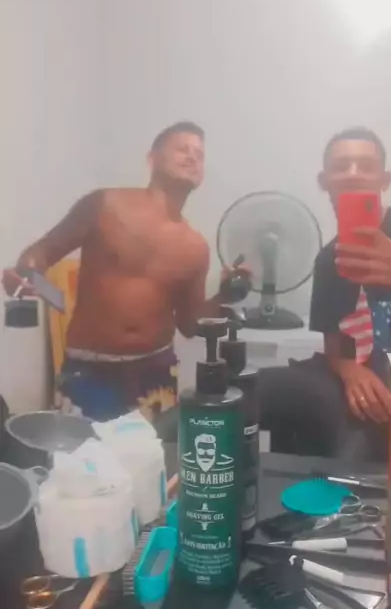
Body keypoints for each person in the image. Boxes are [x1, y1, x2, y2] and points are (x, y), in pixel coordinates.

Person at [258, 127, 391, 460]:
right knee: (256, 389)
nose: (353, 173)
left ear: (384, 180)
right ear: (324, 181)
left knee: (357, 453)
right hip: (368, 394)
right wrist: (349, 371)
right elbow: (335, 348)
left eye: (365, 166)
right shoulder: (329, 259)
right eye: (341, 166)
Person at [3, 121, 243, 423]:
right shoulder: (105, 205)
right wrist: (33, 281)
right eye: (183, 149)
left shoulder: (196, 247)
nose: (193, 157)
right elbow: (39, 255)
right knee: (83, 452)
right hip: (90, 370)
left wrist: (226, 294)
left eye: (200, 154)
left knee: (151, 453)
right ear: (152, 159)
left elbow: (189, 324)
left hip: (156, 371)